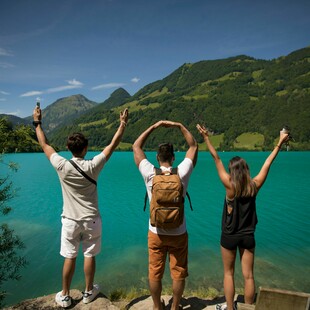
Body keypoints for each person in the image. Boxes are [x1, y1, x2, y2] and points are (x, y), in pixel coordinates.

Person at [33, 105, 128, 308]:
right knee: (89, 254)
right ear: (85, 149)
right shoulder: (93, 166)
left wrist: (37, 122)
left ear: (69, 149)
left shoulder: (62, 165)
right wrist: (122, 124)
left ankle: (65, 295)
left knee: (69, 256)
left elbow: (44, 144)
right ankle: (87, 292)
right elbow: (112, 145)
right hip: (92, 220)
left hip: (70, 220)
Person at [196, 124, 289, 310]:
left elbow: (216, 158)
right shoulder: (254, 186)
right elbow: (268, 163)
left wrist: (206, 137)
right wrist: (279, 142)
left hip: (229, 235)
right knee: (249, 276)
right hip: (248, 236)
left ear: (232, 172)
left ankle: (230, 308)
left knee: (228, 274)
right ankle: (247, 307)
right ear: (246, 170)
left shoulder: (229, 186)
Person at [133, 120, 198, 310]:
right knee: (178, 272)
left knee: (155, 272)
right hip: (179, 232)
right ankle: (175, 306)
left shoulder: (150, 173)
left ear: (157, 157)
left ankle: (156, 306)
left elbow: (136, 145)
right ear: (173, 157)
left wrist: (154, 126)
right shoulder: (183, 172)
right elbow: (193, 145)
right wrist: (180, 126)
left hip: (156, 232)